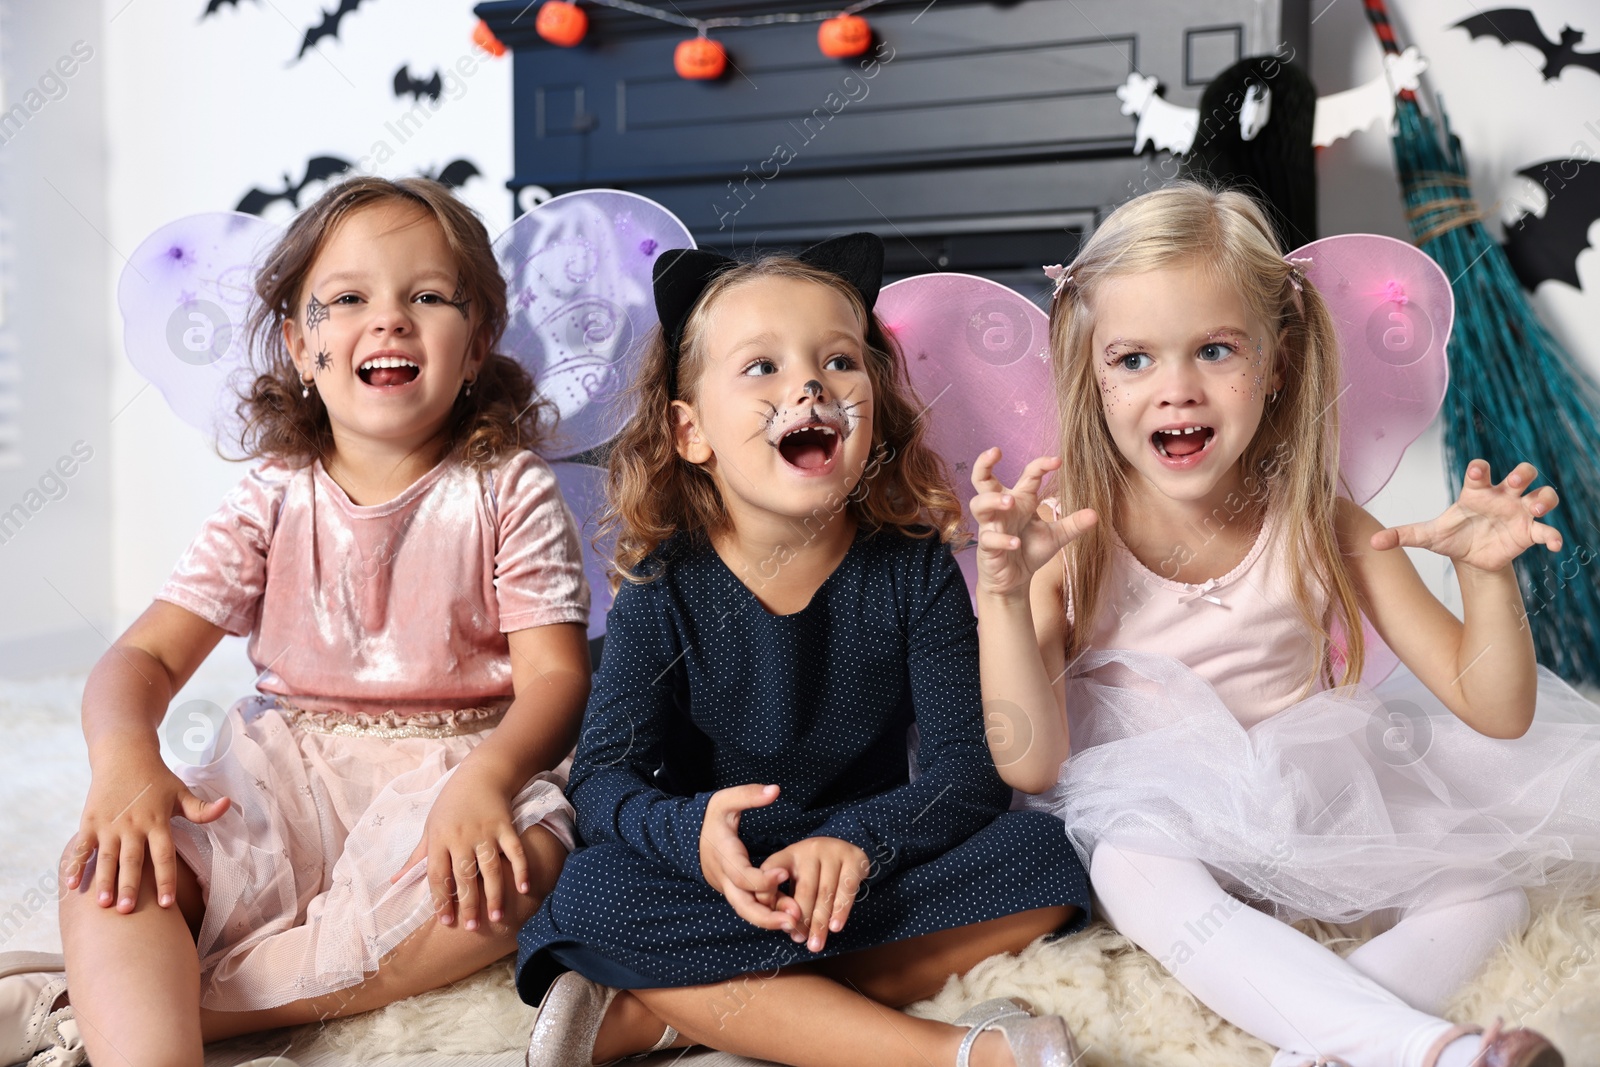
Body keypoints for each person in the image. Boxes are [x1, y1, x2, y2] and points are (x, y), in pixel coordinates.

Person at [971, 181, 1592, 1067]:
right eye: (1134, 359)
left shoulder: (1322, 521)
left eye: (1215, 349)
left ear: (1278, 361)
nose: (1176, 389)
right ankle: (1431, 1049)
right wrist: (1004, 593)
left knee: (1488, 890)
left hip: (1303, 797)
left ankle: (1316, 1051)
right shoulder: (1072, 534)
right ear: (1090, 371)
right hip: (1152, 818)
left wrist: (1486, 579)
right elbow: (1028, 759)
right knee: (1129, 868)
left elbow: (1496, 711)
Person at [27, 177, 592, 1067]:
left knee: (524, 870)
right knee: (114, 865)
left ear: (477, 342)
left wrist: (490, 778)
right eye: (349, 298)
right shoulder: (273, 495)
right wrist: (125, 761)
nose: (391, 320)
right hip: (288, 767)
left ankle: (207, 1010)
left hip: (457, 764)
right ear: (300, 346)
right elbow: (141, 655)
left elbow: (557, 677)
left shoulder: (507, 487)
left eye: (429, 297)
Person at [515, 235, 1092, 1067]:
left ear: (875, 409)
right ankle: (953, 1053)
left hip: (860, 866)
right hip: (720, 878)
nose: (810, 385)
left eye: (838, 361)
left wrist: (859, 842)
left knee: (1043, 857)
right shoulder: (664, 583)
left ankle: (669, 1015)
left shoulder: (912, 565)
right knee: (592, 890)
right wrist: (693, 837)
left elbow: (967, 771)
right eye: (762, 368)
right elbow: (603, 778)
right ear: (690, 433)